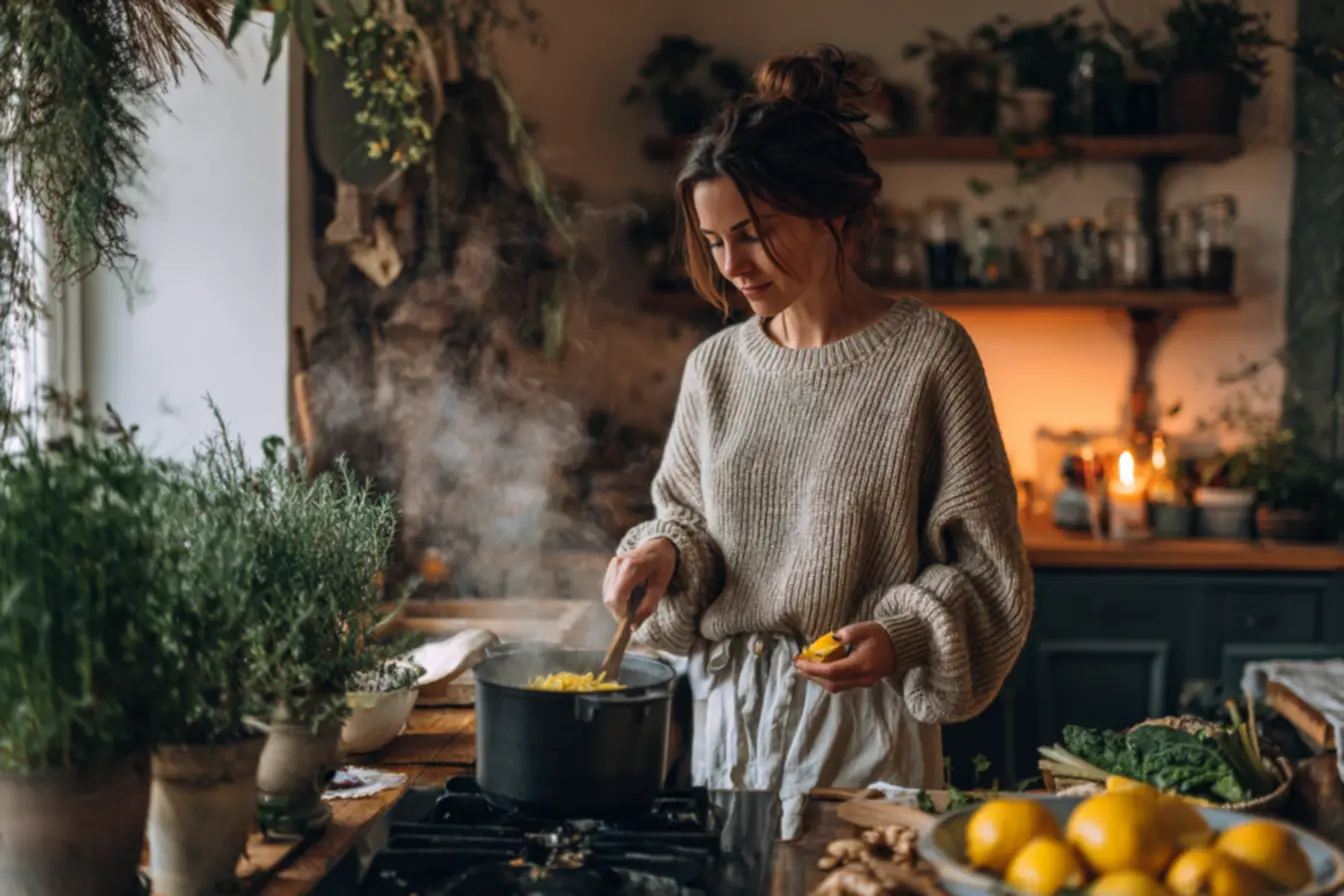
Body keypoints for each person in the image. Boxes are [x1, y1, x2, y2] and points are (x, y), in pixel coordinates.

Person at [602, 45, 1033, 840]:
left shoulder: (929, 356)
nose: (733, 266)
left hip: (865, 725)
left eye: (756, 233)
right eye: (715, 241)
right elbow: (688, 525)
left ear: (834, 212)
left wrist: (902, 635)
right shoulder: (715, 368)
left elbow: (988, 570)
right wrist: (663, 553)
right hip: (729, 724)